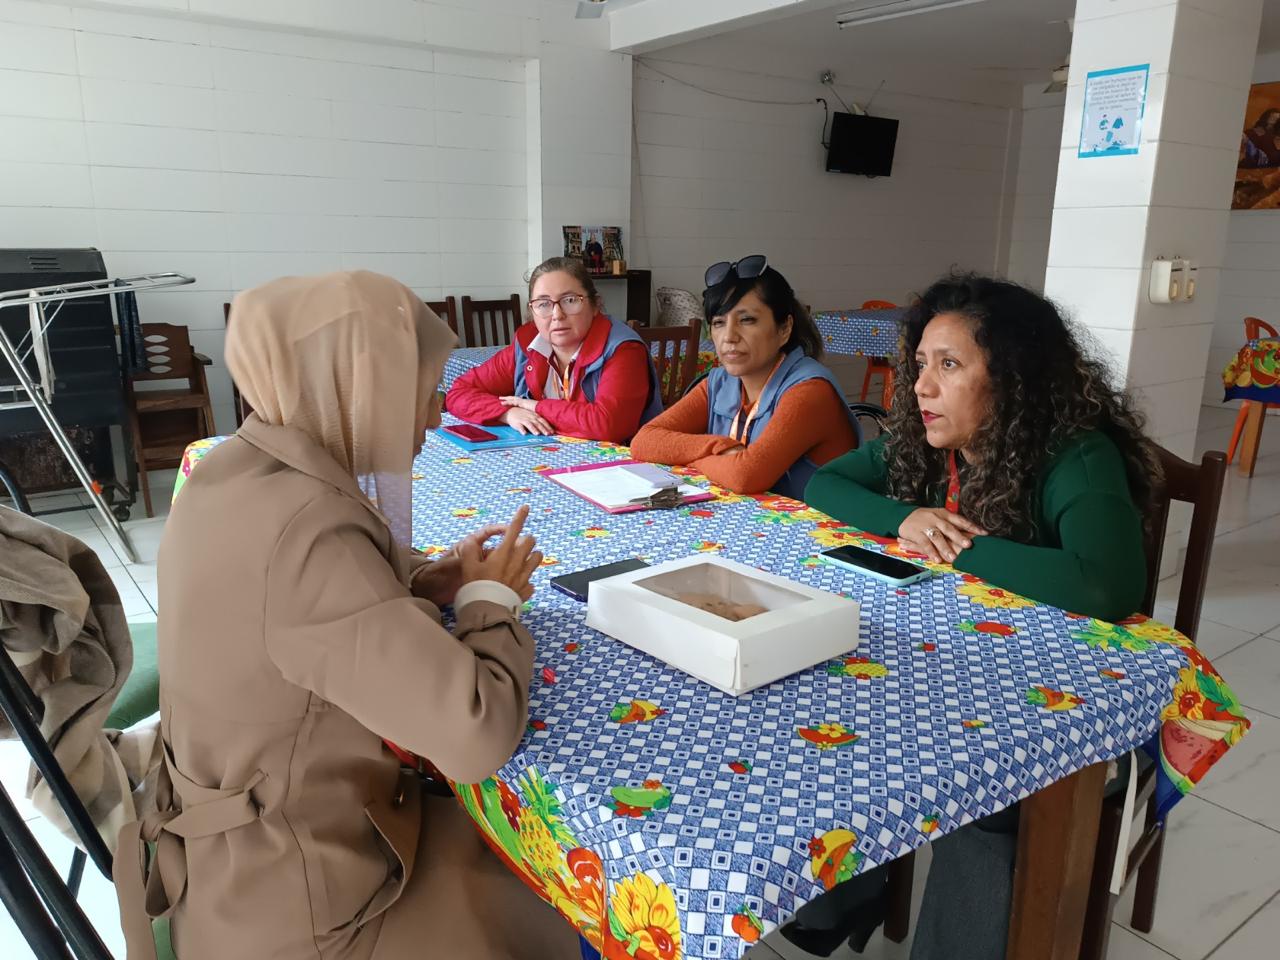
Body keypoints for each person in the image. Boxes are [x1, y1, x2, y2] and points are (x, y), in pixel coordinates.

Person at [114, 272, 579, 960]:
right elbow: (475, 737)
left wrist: (423, 579)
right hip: (307, 910)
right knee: (563, 895)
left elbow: (309, 603)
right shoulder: (310, 533)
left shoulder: (227, 470)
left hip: (233, 861)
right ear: (358, 388)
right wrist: (492, 601)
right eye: (423, 394)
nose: (432, 419)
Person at [795, 272, 1159, 958]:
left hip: (1063, 707)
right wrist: (907, 518)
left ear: (1013, 377)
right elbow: (827, 483)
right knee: (832, 708)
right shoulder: (930, 441)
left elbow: (1106, 585)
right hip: (957, 666)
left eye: (949, 365)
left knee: (985, 791)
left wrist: (959, 548)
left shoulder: (1076, 456)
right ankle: (847, 898)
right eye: (920, 364)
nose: (921, 388)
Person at [630, 255, 858, 500]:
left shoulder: (810, 391)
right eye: (719, 322)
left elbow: (745, 475)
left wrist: (690, 458)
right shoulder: (719, 383)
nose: (729, 336)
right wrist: (718, 448)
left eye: (747, 320)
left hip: (824, 524)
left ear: (784, 329)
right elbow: (644, 441)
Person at [445, 257, 662, 441]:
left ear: (595, 305)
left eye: (570, 300)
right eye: (543, 304)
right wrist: (508, 413)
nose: (557, 315)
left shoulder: (623, 350)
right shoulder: (527, 345)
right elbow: (458, 393)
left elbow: (608, 425)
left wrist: (535, 407)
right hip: (550, 461)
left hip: (622, 468)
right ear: (532, 311)